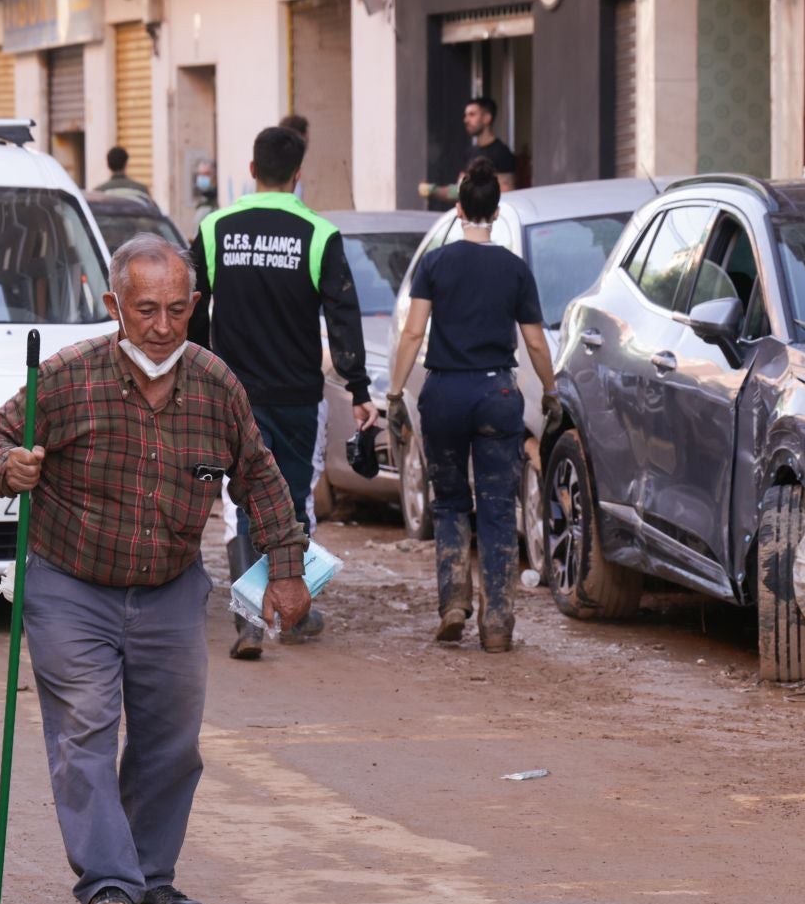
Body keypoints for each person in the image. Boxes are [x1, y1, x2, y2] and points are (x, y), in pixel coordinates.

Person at [0, 234, 312, 904]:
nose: (161, 326)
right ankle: (108, 889)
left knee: (170, 741)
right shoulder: (68, 377)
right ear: (113, 305)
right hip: (70, 585)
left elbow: (259, 474)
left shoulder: (216, 385)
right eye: (145, 308)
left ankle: (150, 877)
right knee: (86, 727)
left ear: (195, 306)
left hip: (168, 588)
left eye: (178, 309)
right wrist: (10, 467)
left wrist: (286, 568)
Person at [191, 125, 373, 660]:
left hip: (232, 394)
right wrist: (359, 386)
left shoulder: (215, 228)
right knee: (291, 502)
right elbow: (344, 315)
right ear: (298, 176)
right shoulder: (318, 234)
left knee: (241, 500)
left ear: (251, 171)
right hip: (297, 396)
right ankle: (292, 616)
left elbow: (191, 305)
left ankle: (249, 618)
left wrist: (198, 370)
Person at [388, 158, 555, 653]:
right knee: (499, 507)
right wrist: (549, 389)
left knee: (451, 501)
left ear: (459, 210)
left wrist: (396, 392)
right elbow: (536, 342)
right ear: (497, 212)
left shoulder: (435, 263)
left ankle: (453, 603)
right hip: (496, 394)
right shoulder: (515, 269)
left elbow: (415, 331)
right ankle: (498, 621)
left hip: (443, 394)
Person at [418, 96, 517, 203]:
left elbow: (506, 196)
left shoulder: (501, 153)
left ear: (487, 118)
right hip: (469, 218)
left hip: (489, 218)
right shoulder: (470, 152)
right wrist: (432, 190)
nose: (466, 120)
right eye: (466, 115)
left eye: (472, 114)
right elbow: (459, 191)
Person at [189, 157, 218, 233]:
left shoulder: (215, 203)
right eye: (200, 174)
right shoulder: (201, 202)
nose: (202, 178)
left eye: (207, 174)